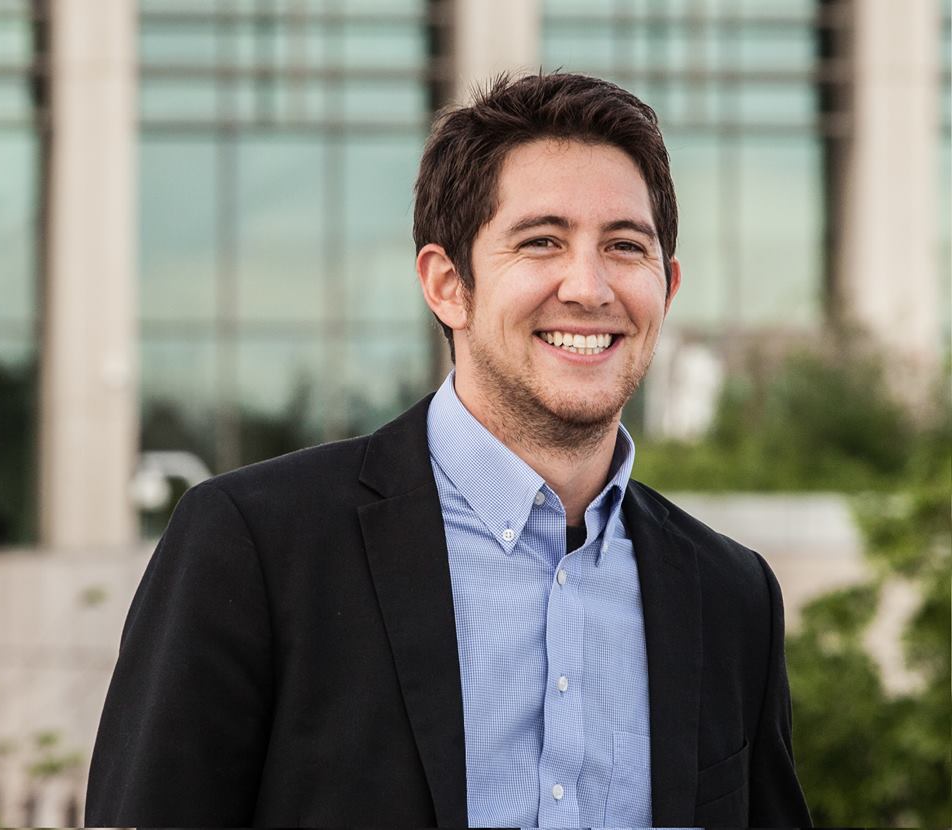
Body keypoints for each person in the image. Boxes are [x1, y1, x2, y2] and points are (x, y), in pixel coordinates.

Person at [85, 72, 811, 827]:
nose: (589, 287)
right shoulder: (253, 547)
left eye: (625, 247)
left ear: (668, 287)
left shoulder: (733, 597)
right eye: (542, 242)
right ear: (447, 284)